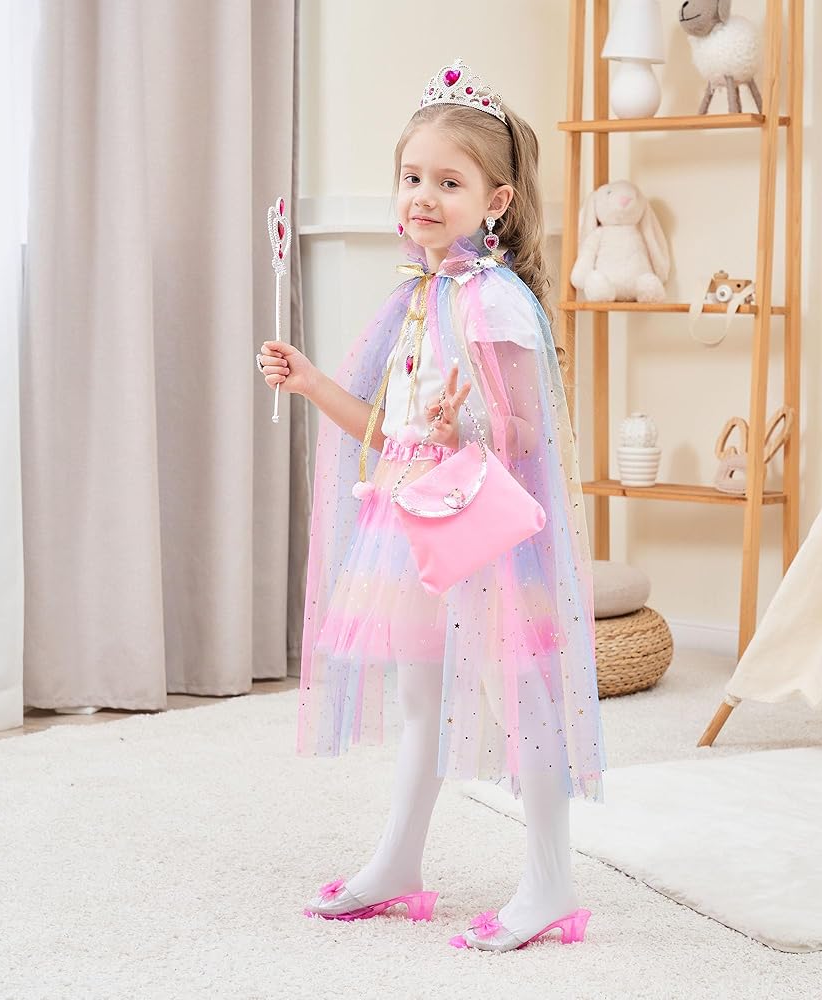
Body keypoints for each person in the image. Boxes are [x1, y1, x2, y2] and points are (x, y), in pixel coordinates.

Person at [258, 57, 604, 953]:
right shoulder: (417, 296)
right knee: (421, 696)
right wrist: (311, 383)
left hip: (479, 528)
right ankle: (398, 861)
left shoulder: (495, 302)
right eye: (412, 178)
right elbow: (386, 432)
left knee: (523, 695)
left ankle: (551, 883)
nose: (423, 196)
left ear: (495, 201)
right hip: (410, 518)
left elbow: (527, 432)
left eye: (449, 182)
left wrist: (466, 429)